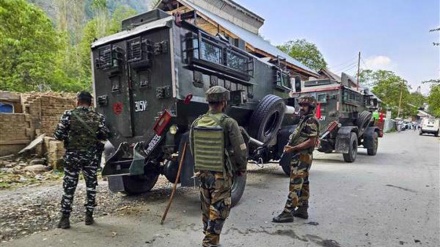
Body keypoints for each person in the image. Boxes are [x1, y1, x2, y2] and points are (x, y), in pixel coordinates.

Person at [190, 86, 247, 247]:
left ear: (208, 102)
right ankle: (210, 242)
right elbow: (239, 150)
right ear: (224, 102)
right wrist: (241, 168)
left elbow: (193, 147)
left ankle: (211, 238)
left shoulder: (197, 122)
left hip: (203, 173)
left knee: (207, 208)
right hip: (220, 175)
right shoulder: (228, 123)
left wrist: (200, 166)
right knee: (220, 209)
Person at [54, 91, 109, 229]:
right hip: (90, 157)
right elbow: (104, 134)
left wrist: (69, 135)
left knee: (69, 186)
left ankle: (65, 219)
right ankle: (89, 216)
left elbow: (58, 135)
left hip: (73, 156)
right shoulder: (98, 117)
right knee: (91, 186)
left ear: (77, 101)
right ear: (90, 103)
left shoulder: (68, 115)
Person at [273, 95, 319, 223]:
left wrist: (293, 148)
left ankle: (288, 212)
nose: (302, 108)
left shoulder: (311, 121)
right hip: (301, 156)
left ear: (311, 107)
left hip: (302, 156)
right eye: (301, 105)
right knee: (303, 183)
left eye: (305, 106)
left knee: (295, 184)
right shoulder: (304, 120)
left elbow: (311, 141)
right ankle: (303, 209)